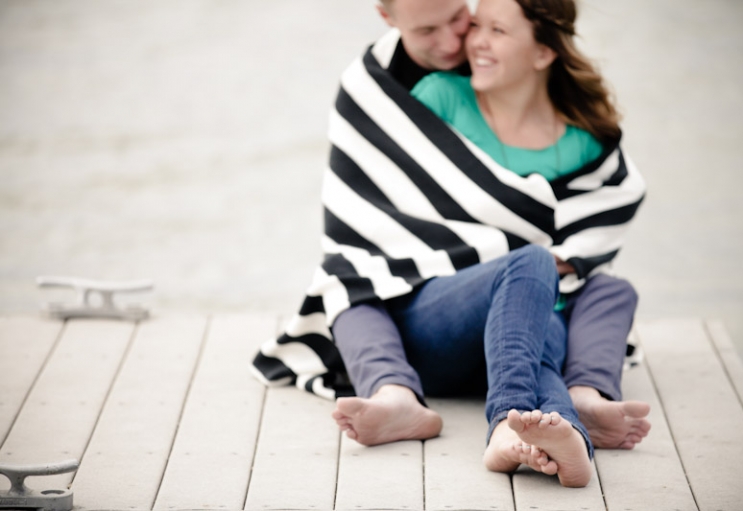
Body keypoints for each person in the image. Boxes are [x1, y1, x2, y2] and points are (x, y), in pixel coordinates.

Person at [251, 0, 649, 484]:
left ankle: (571, 425)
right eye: (477, 25)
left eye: (495, 29)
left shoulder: (584, 142)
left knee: (592, 292)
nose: (469, 41)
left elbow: (601, 217)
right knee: (353, 278)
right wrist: (510, 251)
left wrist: (533, 261)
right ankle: (492, 413)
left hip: (515, 333)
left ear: (544, 52)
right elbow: (379, 221)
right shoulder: (434, 96)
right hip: (437, 318)